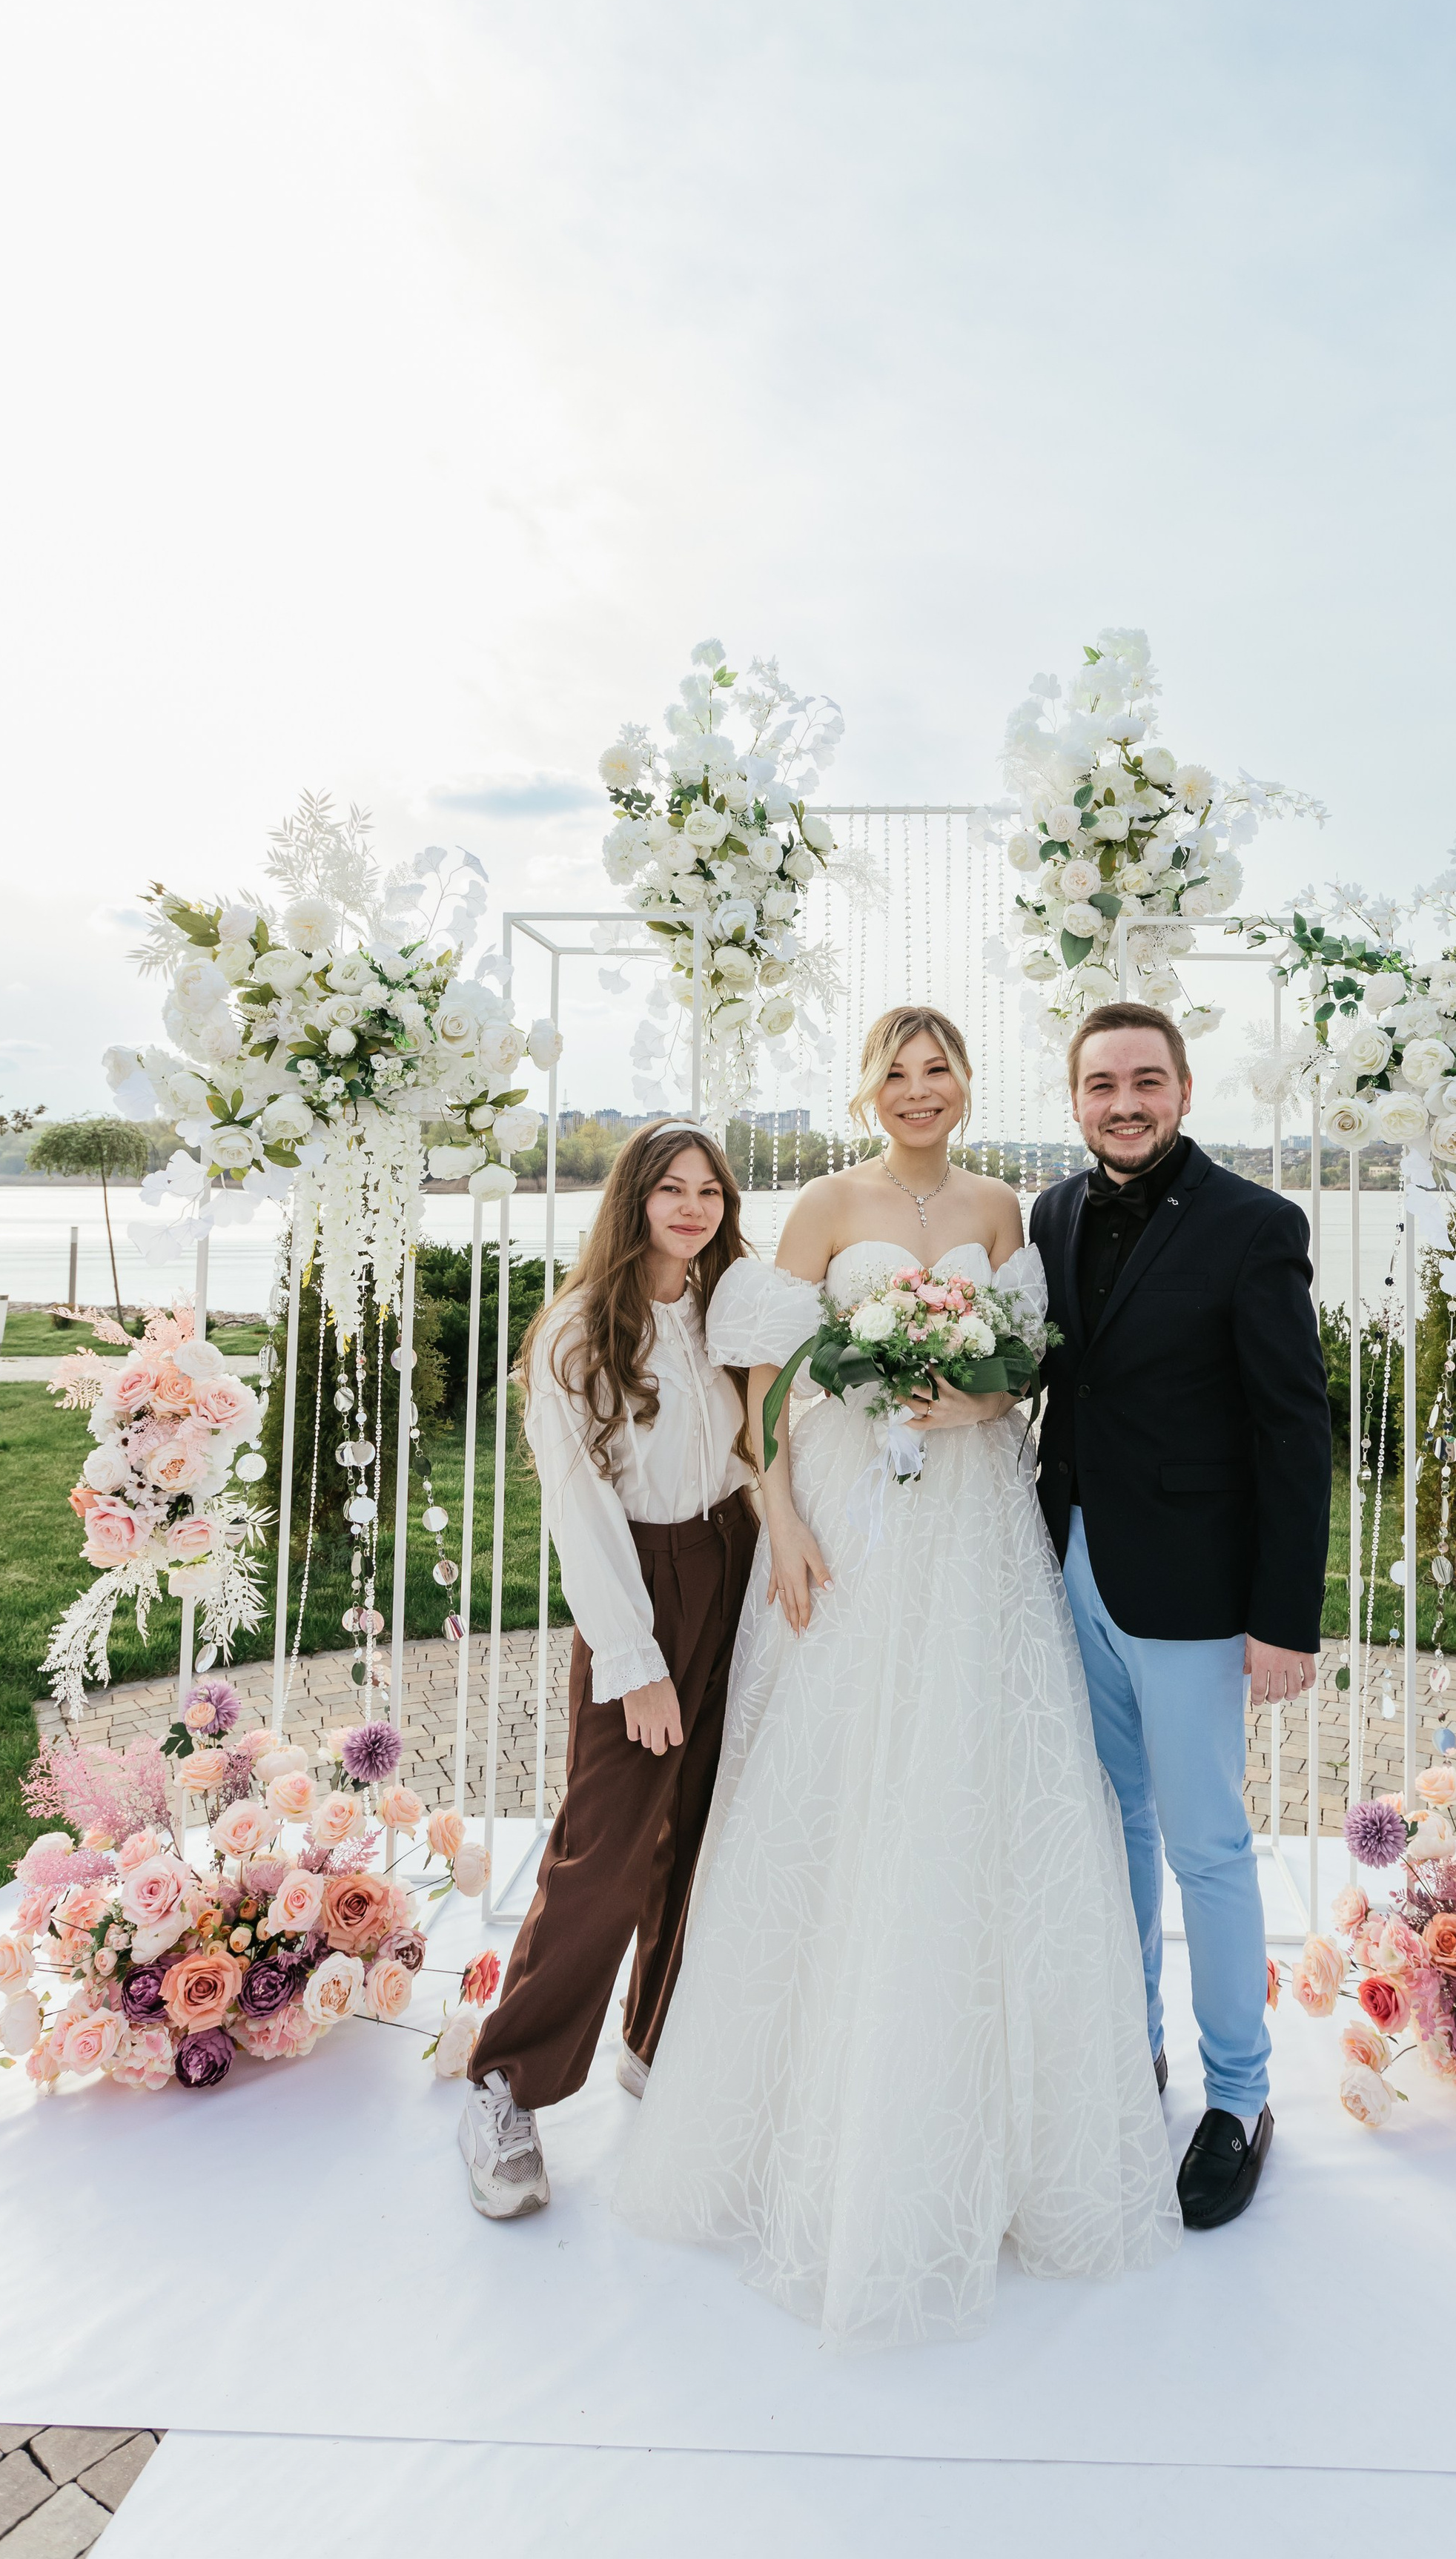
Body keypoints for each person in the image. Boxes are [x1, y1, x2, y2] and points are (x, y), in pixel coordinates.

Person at [615, 1007, 1179, 2344]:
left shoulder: (1003, 1209)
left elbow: (1032, 1367)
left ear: (966, 1087)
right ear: (867, 1089)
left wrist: (976, 1401)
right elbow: (761, 1378)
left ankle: (983, 2126)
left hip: (974, 1513)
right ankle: (806, 2115)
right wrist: (787, 1520)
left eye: (938, 1072)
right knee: (842, 1771)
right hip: (852, 1509)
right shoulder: (824, 1203)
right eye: (896, 1073)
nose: (917, 1092)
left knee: (976, 1770)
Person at [1028, 1003, 1331, 2233]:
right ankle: (1130, 2057)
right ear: (1076, 1099)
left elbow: (1296, 1428)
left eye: (1146, 1080)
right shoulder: (1049, 1215)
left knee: (1205, 1842)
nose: (1124, 1101)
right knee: (1112, 1827)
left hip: (1199, 1587)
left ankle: (1241, 2099)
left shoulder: (1257, 1226)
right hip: (1071, 1566)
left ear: (1187, 1091)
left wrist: (1285, 1617)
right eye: (1102, 1083)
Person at [457, 1117, 759, 2222]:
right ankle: (508, 2079)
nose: (691, 1207)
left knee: (704, 1822)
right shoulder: (579, 1333)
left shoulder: (726, 1307)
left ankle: (655, 2036)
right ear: (630, 1200)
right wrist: (634, 1664)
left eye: (709, 1191)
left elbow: (759, 1442)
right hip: (643, 1575)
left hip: (732, 1561)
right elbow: (581, 1516)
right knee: (605, 1846)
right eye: (669, 1189)